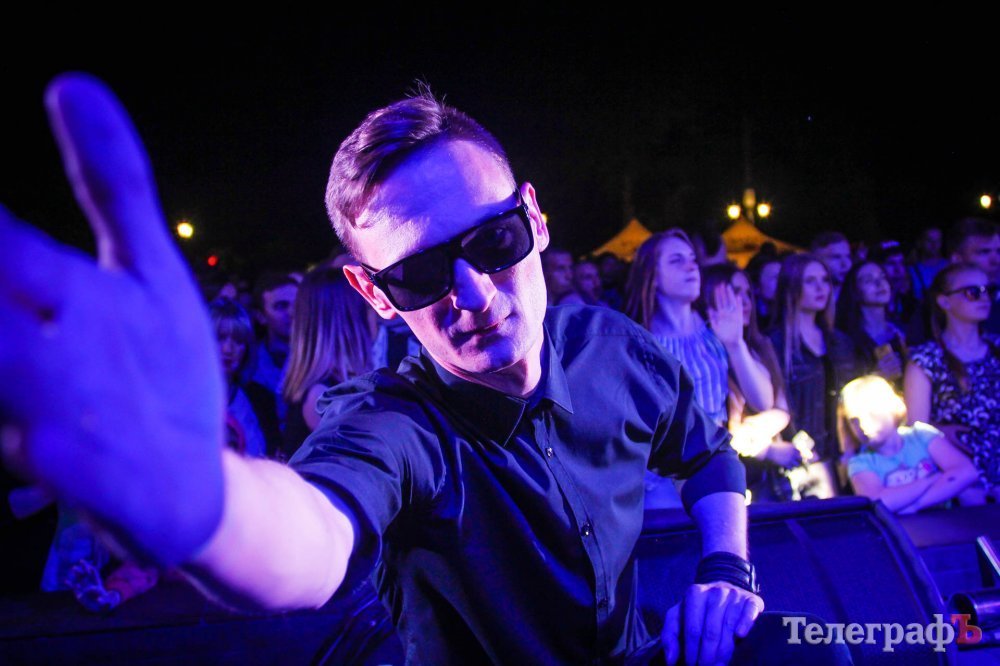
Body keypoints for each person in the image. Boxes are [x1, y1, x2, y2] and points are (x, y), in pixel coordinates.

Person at [0, 76, 850, 665]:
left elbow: (707, 455)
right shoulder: (394, 424)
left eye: (494, 241)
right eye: (419, 274)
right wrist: (207, 501)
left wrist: (725, 567)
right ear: (373, 294)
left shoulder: (610, 346)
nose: (472, 294)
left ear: (535, 220)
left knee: (802, 650)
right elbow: (314, 530)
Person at [624, 230, 774, 426]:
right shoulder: (640, 342)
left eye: (693, 259)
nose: (691, 266)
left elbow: (763, 401)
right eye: (676, 260)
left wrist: (736, 345)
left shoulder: (715, 322)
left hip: (719, 444)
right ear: (652, 276)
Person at [700, 264, 800, 503]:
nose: (744, 302)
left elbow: (779, 408)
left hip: (770, 480)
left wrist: (752, 429)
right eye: (734, 293)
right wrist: (766, 449)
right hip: (733, 478)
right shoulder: (705, 354)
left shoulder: (761, 345)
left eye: (747, 293)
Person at [904, 262, 1000, 503]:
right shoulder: (925, 360)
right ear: (944, 301)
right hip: (962, 483)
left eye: (989, 290)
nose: (984, 298)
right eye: (973, 292)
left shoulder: (997, 349)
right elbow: (916, 431)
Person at [767, 254, 858, 490]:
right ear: (791, 287)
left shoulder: (841, 342)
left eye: (825, 280)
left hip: (846, 456)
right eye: (810, 281)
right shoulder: (776, 345)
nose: (821, 288)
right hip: (802, 461)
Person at [842, 375, 978, 513]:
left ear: (891, 408)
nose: (863, 425)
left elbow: (967, 472)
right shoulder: (860, 462)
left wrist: (916, 505)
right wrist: (932, 480)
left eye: (871, 414)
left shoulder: (921, 435)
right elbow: (877, 502)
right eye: (854, 421)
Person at [281, 265, 375, 459]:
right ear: (350, 319)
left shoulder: (335, 389)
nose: (377, 315)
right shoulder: (323, 397)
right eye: (367, 307)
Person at [210, 298, 281, 458]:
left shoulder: (261, 398)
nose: (228, 349)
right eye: (220, 338)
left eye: (238, 340)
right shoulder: (185, 399)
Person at [834, 260, 907, 389]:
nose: (879, 283)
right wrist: (876, 377)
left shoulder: (900, 334)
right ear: (855, 291)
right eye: (868, 280)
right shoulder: (845, 341)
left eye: (882, 277)